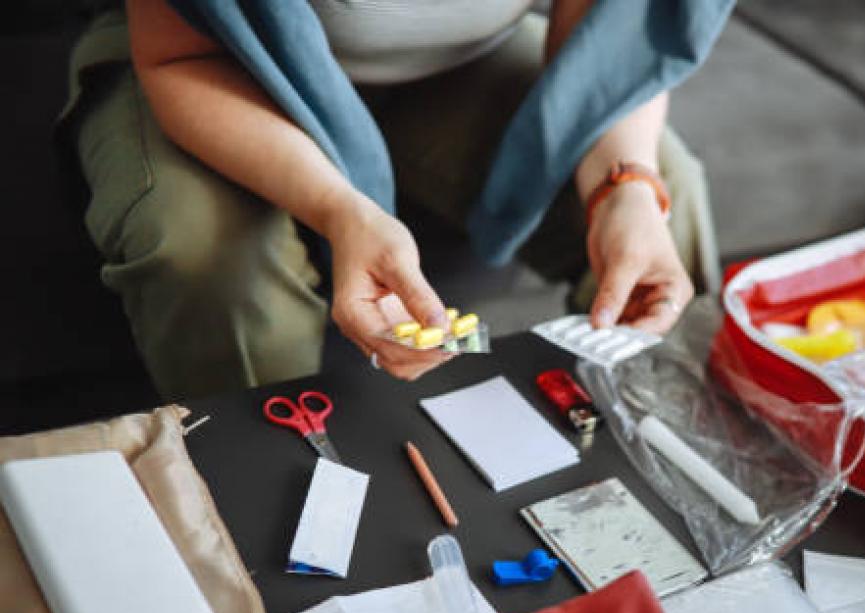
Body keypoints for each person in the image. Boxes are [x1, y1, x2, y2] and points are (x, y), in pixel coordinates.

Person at [61, 0, 722, 399]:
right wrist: (340, 209)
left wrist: (625, 186)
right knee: (213, 258)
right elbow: (180, 57)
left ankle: (655, 440)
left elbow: (608, 44)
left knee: (666, 196)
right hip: (218, 63)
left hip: (454, 64)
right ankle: (265, 489)